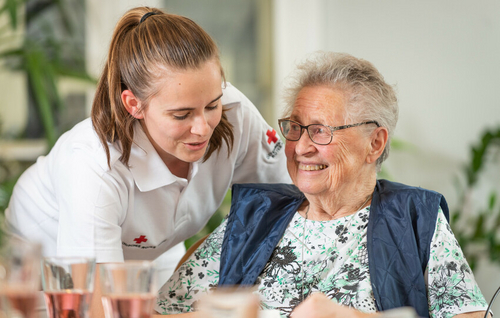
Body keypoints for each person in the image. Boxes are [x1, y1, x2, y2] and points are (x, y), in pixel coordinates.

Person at [154, 52, 489, 318]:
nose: (300, 147)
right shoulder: (255, 216)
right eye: (295, 128)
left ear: (374, 143)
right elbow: (158, 313)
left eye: (321, 131)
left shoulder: (416, 220)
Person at [3, 6, 290, 317]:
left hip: (151, 256)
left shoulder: (235, 114)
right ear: (133, 105)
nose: (203, 127)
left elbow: (288, 197)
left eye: (212, 105)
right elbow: (100, 310)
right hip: (48, 273)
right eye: (181, 115)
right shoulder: (94, 165)